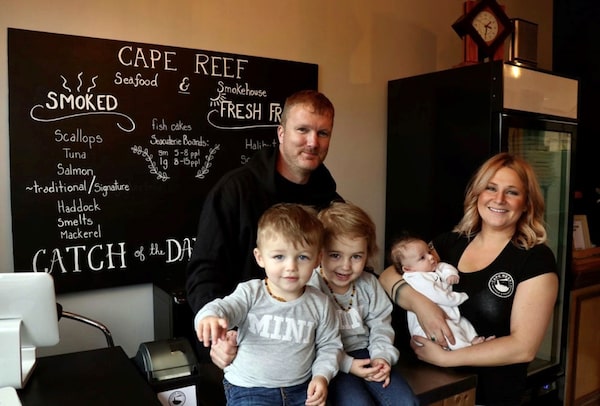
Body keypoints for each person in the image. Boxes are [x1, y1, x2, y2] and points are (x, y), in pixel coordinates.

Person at [379, 153, 558, 405]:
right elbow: (390, 274)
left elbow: (523, 347)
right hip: (433, 386)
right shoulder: (450, 243)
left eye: (512, 192)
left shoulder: (535, 258)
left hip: (491, 394)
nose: (499, 199)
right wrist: (421, 305)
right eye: (491, 188)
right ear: (478, 194)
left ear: (527, 203)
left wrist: (446, 358)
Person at [185, 89, 342, 369]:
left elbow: (356, 267)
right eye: (302, 130)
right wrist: (218, 335)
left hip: (311, 350)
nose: (312, 142)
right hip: (245, 348)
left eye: (323, 133)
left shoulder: (331, 202)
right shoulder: (235, 191)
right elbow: (205, 273)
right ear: (281, 133)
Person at [194, 203, 343, 406]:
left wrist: (321, 376)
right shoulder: (250, 293)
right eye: (279, 256)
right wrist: (209, 317)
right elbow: (223, 308)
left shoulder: (320, 303)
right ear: (260, 258)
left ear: (317, 259)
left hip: (301, 389)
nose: (291, 267)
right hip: (249, 388)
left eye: (302, 257)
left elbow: (329, 346)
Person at [310, 202, 419, 405]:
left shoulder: (369, 284)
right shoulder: (311, 287)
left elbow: (380, 325)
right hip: (332, 360)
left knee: (405, 401)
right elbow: (313, 342)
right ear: (319, 253)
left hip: (368, 352)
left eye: (356, 257)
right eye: (335, 255)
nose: (346, 266)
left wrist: (382, 357)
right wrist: (347, 364)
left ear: (367, 254)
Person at [389, 233, 484, 350]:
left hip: (447, 314)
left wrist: (451, 274)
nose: (430, 257)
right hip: (428, 326)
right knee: (449, 330)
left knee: (463, 323)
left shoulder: (432, 268)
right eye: (422, 257)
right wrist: (458, 297)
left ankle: (473, 339)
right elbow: (436, 295)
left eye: (429, 252)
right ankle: (465, 348)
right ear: (408, 269)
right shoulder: (416, 278)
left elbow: (444, 267)